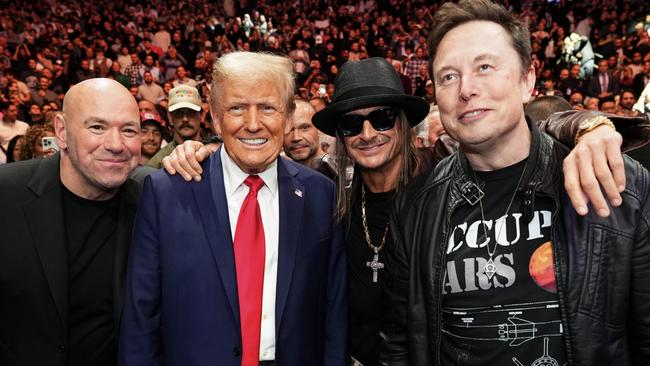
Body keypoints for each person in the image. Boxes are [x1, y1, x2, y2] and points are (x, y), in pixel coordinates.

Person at [163, 56, 644, 366]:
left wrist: (590, 125)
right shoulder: (328, 197)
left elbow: (526, 124)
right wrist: (200, 153)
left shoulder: (447, 185)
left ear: (405, 123)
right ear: (342, 138)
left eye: (382, 117)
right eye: (352, 123)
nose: (367, 132)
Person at [380, 1, 650, 365]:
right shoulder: (415, 207)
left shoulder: (617, 181)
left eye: (485, 67)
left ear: (528, 81)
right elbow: (400, 344)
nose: (466, 89)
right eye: (448, 76)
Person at [119, 51, 347, 366]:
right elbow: (140, 317)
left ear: (287, 115)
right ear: (214, 115)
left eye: (267, 107)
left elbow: (334, 312)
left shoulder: (321, 195)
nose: (253, 124)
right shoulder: (167, 192)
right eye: (237, 108)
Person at [0, 78, 142, 365]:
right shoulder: (6, 195)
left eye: (128, 130)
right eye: (97, 127)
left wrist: (199, 153)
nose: (116, 145)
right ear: (61, 132)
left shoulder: (153, 196)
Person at [146, 84, 202, 168]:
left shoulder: (215, 152)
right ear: (170, 118)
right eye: (178, 113)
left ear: (201, 116)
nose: (185, 119)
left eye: (191, 113)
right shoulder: (157, 163)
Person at [284, 98, 336, 179]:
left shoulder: (334, 173)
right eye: (287, 130)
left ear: (318, 128)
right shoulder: (283, 172)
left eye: (304, 128)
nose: (296, 137)